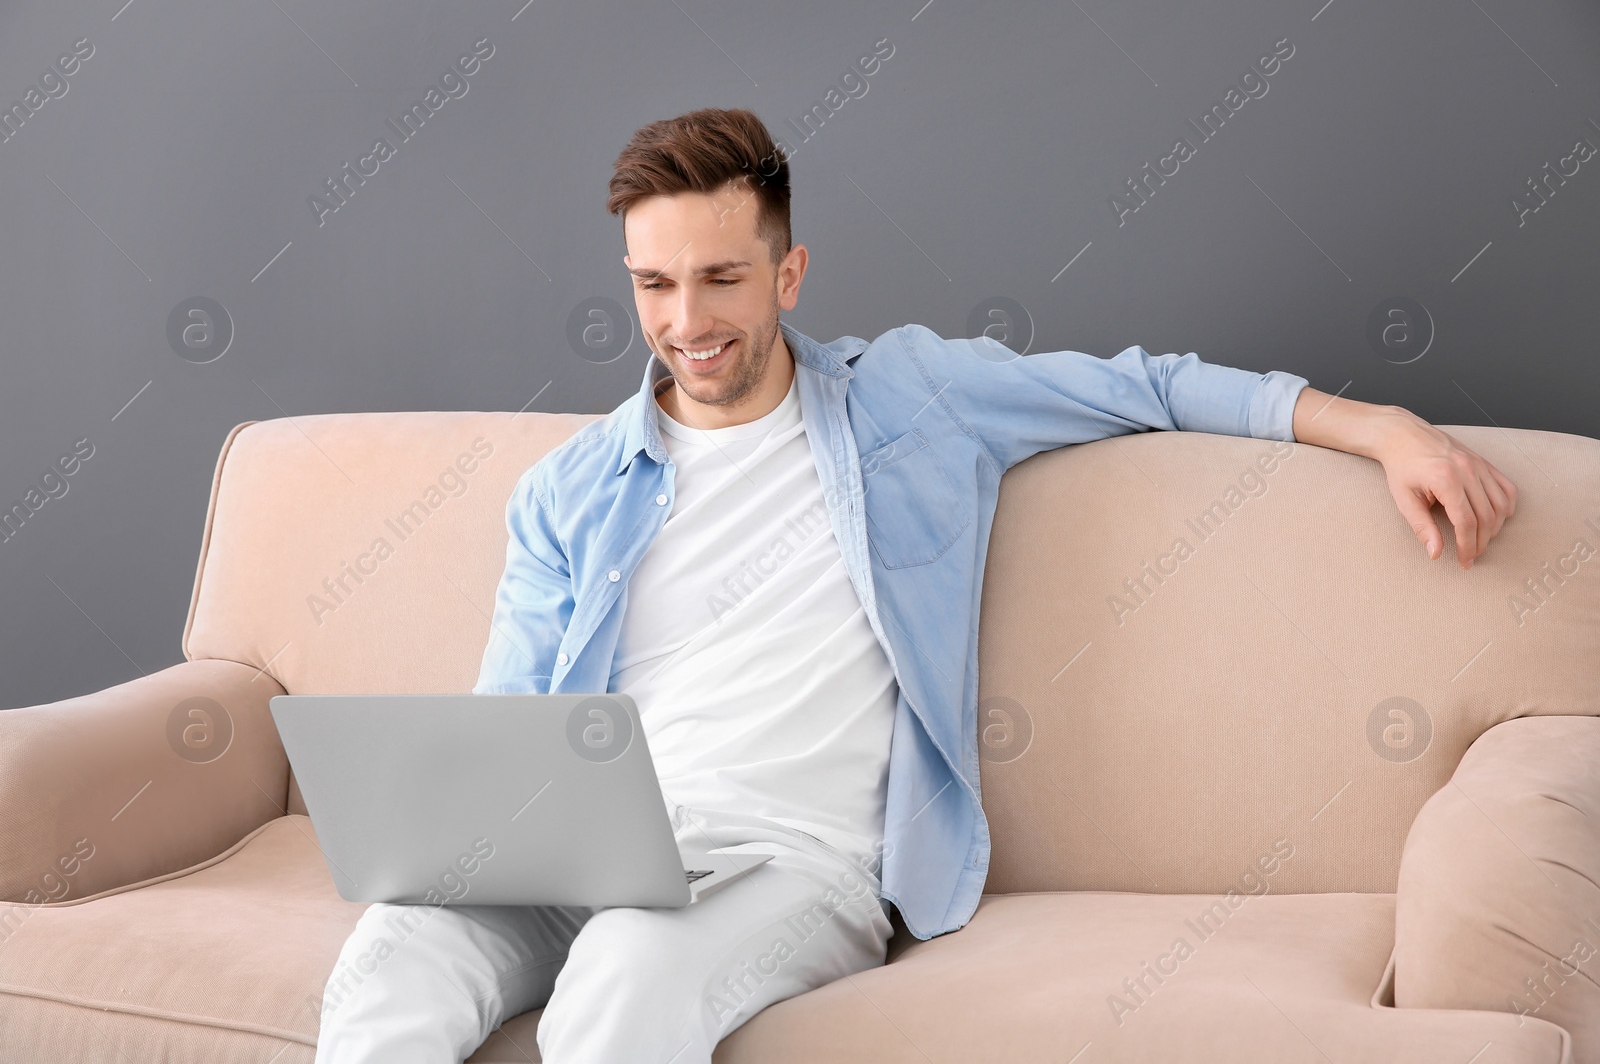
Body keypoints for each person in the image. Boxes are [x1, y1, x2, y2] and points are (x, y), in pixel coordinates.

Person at [312, 107, 1517, 1063]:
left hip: (790, 861)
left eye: (721, 279)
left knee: (625, 980)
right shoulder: (568, 488)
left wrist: (1382, 427)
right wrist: (454, 830)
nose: (686, 322)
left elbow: (1145, 385)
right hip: (587, 852)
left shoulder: (912, 399)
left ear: (788, 275)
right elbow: (504, 722)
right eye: (654, 285)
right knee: (391, 957)